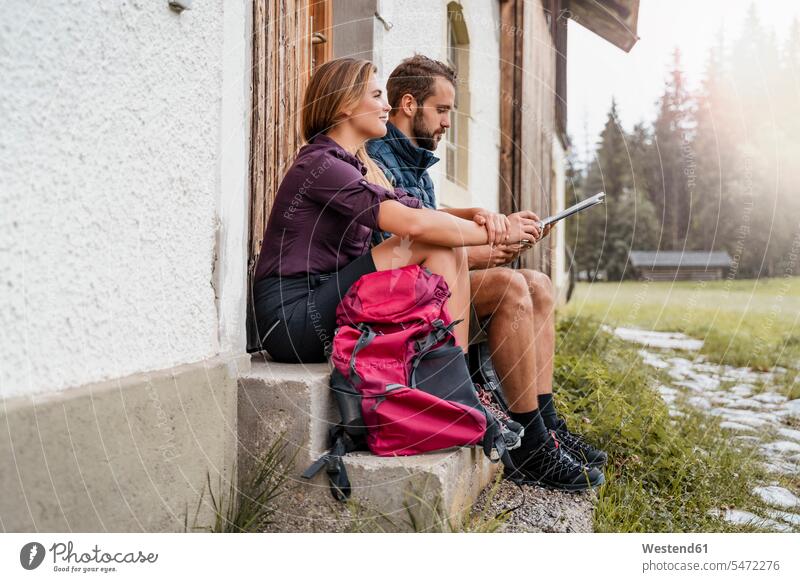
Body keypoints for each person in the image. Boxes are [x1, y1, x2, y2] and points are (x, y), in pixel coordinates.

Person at [367, 54, 607, 490]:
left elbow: (435, 225)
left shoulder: (415, 159)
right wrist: (490, 250)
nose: (446, 123)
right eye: (441, 110)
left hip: (431, 289)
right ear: (408, 104)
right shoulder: (378, 161)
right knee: (513, 286)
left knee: (539, 284)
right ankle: (530, 446)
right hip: (397, 301)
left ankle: (547, 426)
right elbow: (406, 249)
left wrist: (489, 231)